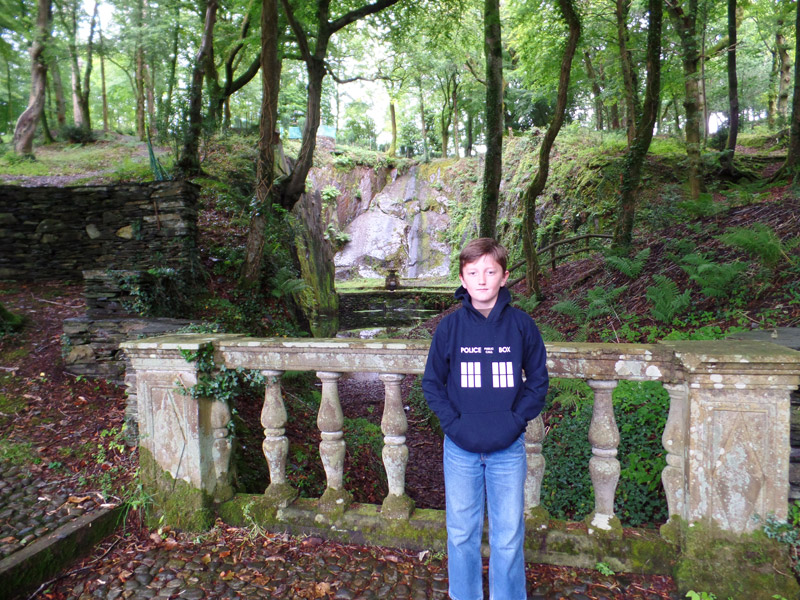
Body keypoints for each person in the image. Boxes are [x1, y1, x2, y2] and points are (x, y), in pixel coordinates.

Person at [422, 237, 549, 600]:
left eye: (490, 272)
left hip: (507, 449)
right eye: (473, 272)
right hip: (460, 449)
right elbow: (432, 383)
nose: (481, 279)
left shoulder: (522, 326)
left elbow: (538, 381)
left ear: (504, 277)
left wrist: (515, 421)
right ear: (463, 279)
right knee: (461, 532)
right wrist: (454, 425)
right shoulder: (449, 328)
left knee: (508, 535)